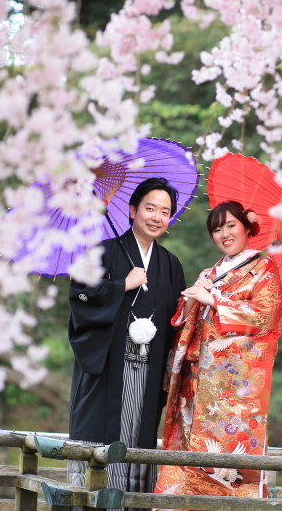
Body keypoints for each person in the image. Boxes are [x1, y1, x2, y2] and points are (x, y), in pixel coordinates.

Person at [154, 201, 282, 502]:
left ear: (247, 227)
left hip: (229, 387)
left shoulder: (264, 269)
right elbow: (185, 320)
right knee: (186, 449)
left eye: (230, 226)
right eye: (217, 229)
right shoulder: (210, 271)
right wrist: (193, 299)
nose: (224, 234)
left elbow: (267, 316)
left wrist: (215, 301)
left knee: (226, 453)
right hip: (194, 379)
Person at [66, 177, 186, 507]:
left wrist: (193, 303)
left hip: (147, 371)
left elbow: (177, 321)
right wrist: (121, 285)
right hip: (107, 370)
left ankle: (130, 502)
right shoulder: (101, 252)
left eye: (165, 211)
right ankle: (89, 500)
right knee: (98, 441)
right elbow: (79, 295)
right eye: (150, 208)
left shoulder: (171, 265)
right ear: (132, 210)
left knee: (137, 442)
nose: (157, 217)